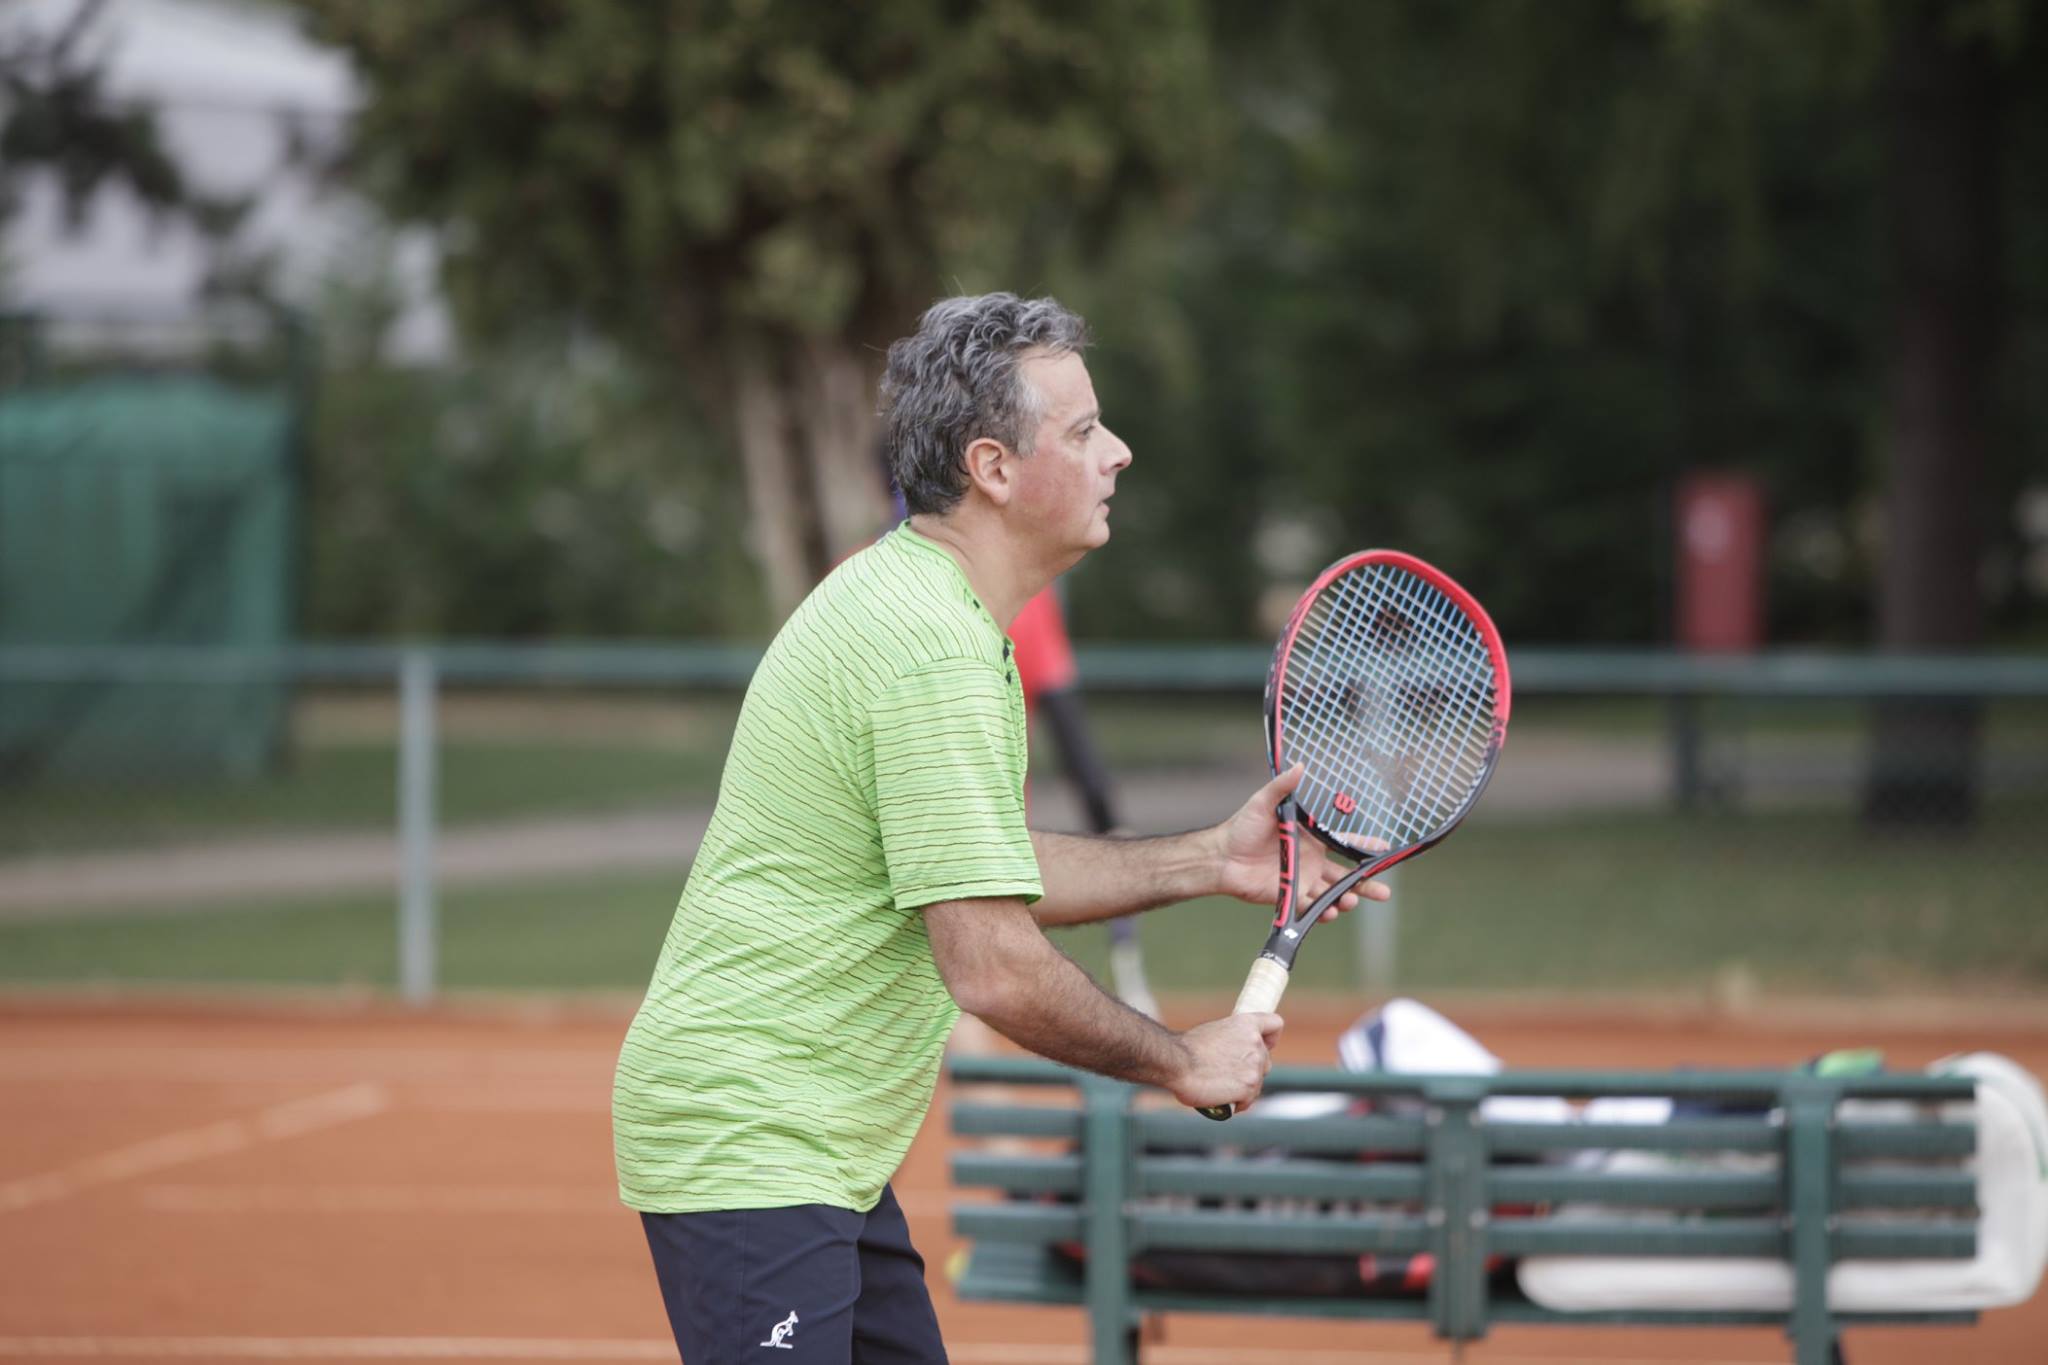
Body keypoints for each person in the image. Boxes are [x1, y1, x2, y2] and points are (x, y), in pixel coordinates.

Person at [612, 293, 1386, 1364]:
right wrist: (1178, 1061)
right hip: (754, 1139)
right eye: (1081, 431)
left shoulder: (932, 611)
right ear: (993, 468)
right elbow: (990, 965)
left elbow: (981, 871)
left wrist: (1213, 859)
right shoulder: (930, 646)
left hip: (817, 1146)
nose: (1116, 452)